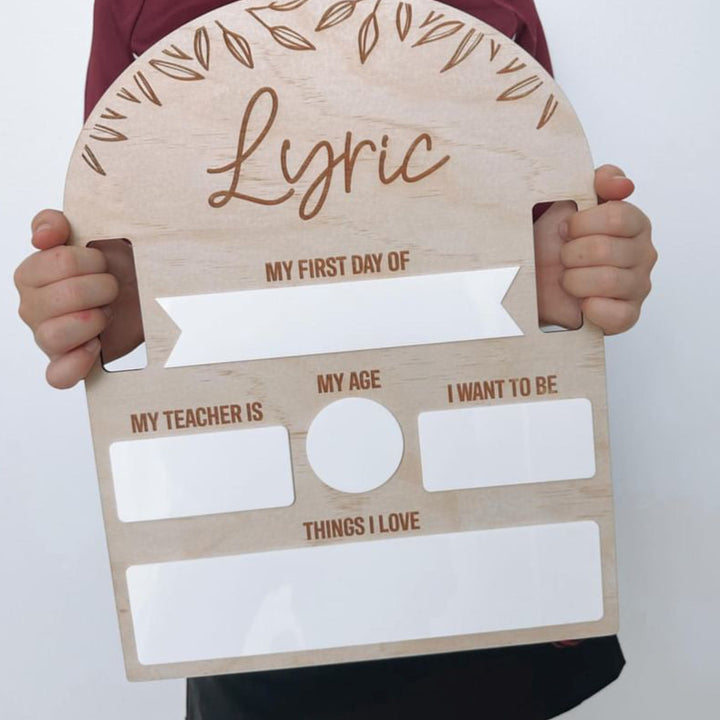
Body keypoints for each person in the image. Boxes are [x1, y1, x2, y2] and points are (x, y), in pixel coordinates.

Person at [13, 1, 657, 718]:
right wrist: (98, 300)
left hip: (474, 541)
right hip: (260, 565)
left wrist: (576, 269)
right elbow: (116, 233)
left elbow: (538, 223)